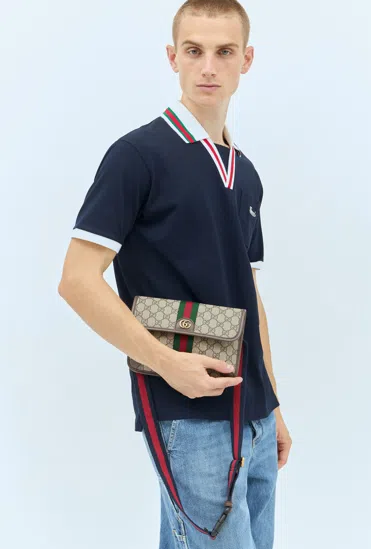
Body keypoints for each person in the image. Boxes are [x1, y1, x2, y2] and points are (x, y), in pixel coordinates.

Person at [58, 0, 292, 546]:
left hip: (255, 414)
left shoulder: (246, 172)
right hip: (188, 412)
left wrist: (273, 405)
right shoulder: (137, 155)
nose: (208, 67)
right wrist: (167, 364)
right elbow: (77, 279)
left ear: (246, 60)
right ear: (173, 57)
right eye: (194, 51)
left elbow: (250, 296)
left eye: (224, 52)